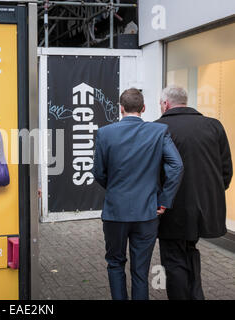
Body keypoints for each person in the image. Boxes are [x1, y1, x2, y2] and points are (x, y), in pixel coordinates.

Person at [92, 88, 184, 300]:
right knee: (140, 270)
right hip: (148, 212)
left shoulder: (106, 133)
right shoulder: (159, 131)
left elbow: (98, 172)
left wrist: (114, 188)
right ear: (143, 108)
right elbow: (176, 166)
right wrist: (164, 200)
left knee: (115, 264)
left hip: (115, 212)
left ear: (120, 108)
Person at [155, 85, 233, 300]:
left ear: (165, 104)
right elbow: (226, 170)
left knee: (173, 259)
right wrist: (211, 196)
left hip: (170, 210)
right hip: (204, 210)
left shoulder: (157, 128)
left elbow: (152, 173)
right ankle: (196, 295)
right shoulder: (213, 126)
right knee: (190, 251)